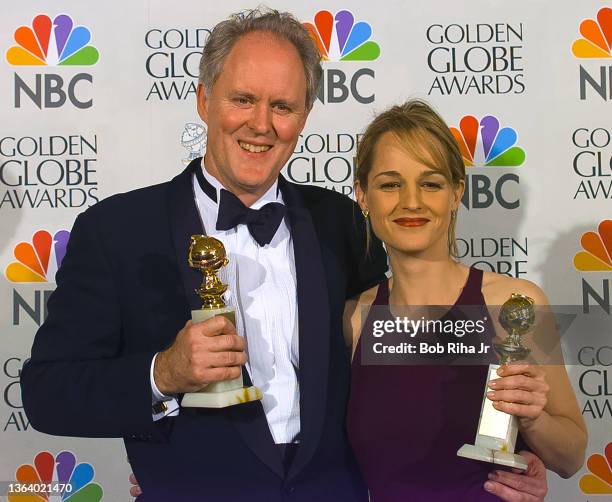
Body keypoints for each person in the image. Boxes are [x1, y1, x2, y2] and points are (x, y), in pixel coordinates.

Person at [21, 8, 549, 501]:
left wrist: (505, 452)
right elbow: (47, 393)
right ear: (205, 100)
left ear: (304, 115)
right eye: (243, 99)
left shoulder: (342, 222)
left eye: (282, 107)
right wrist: (164, 375)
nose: (261, 124)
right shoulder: (118, 231)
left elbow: (403, 379)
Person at [343, 100, 587, 501]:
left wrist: (534, 420)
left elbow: (571, 456)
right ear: (363, 196)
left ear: (456, 193)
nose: (411, 201)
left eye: (431, 183)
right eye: (390, 184)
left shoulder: (514, 305)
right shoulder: (353, 319)